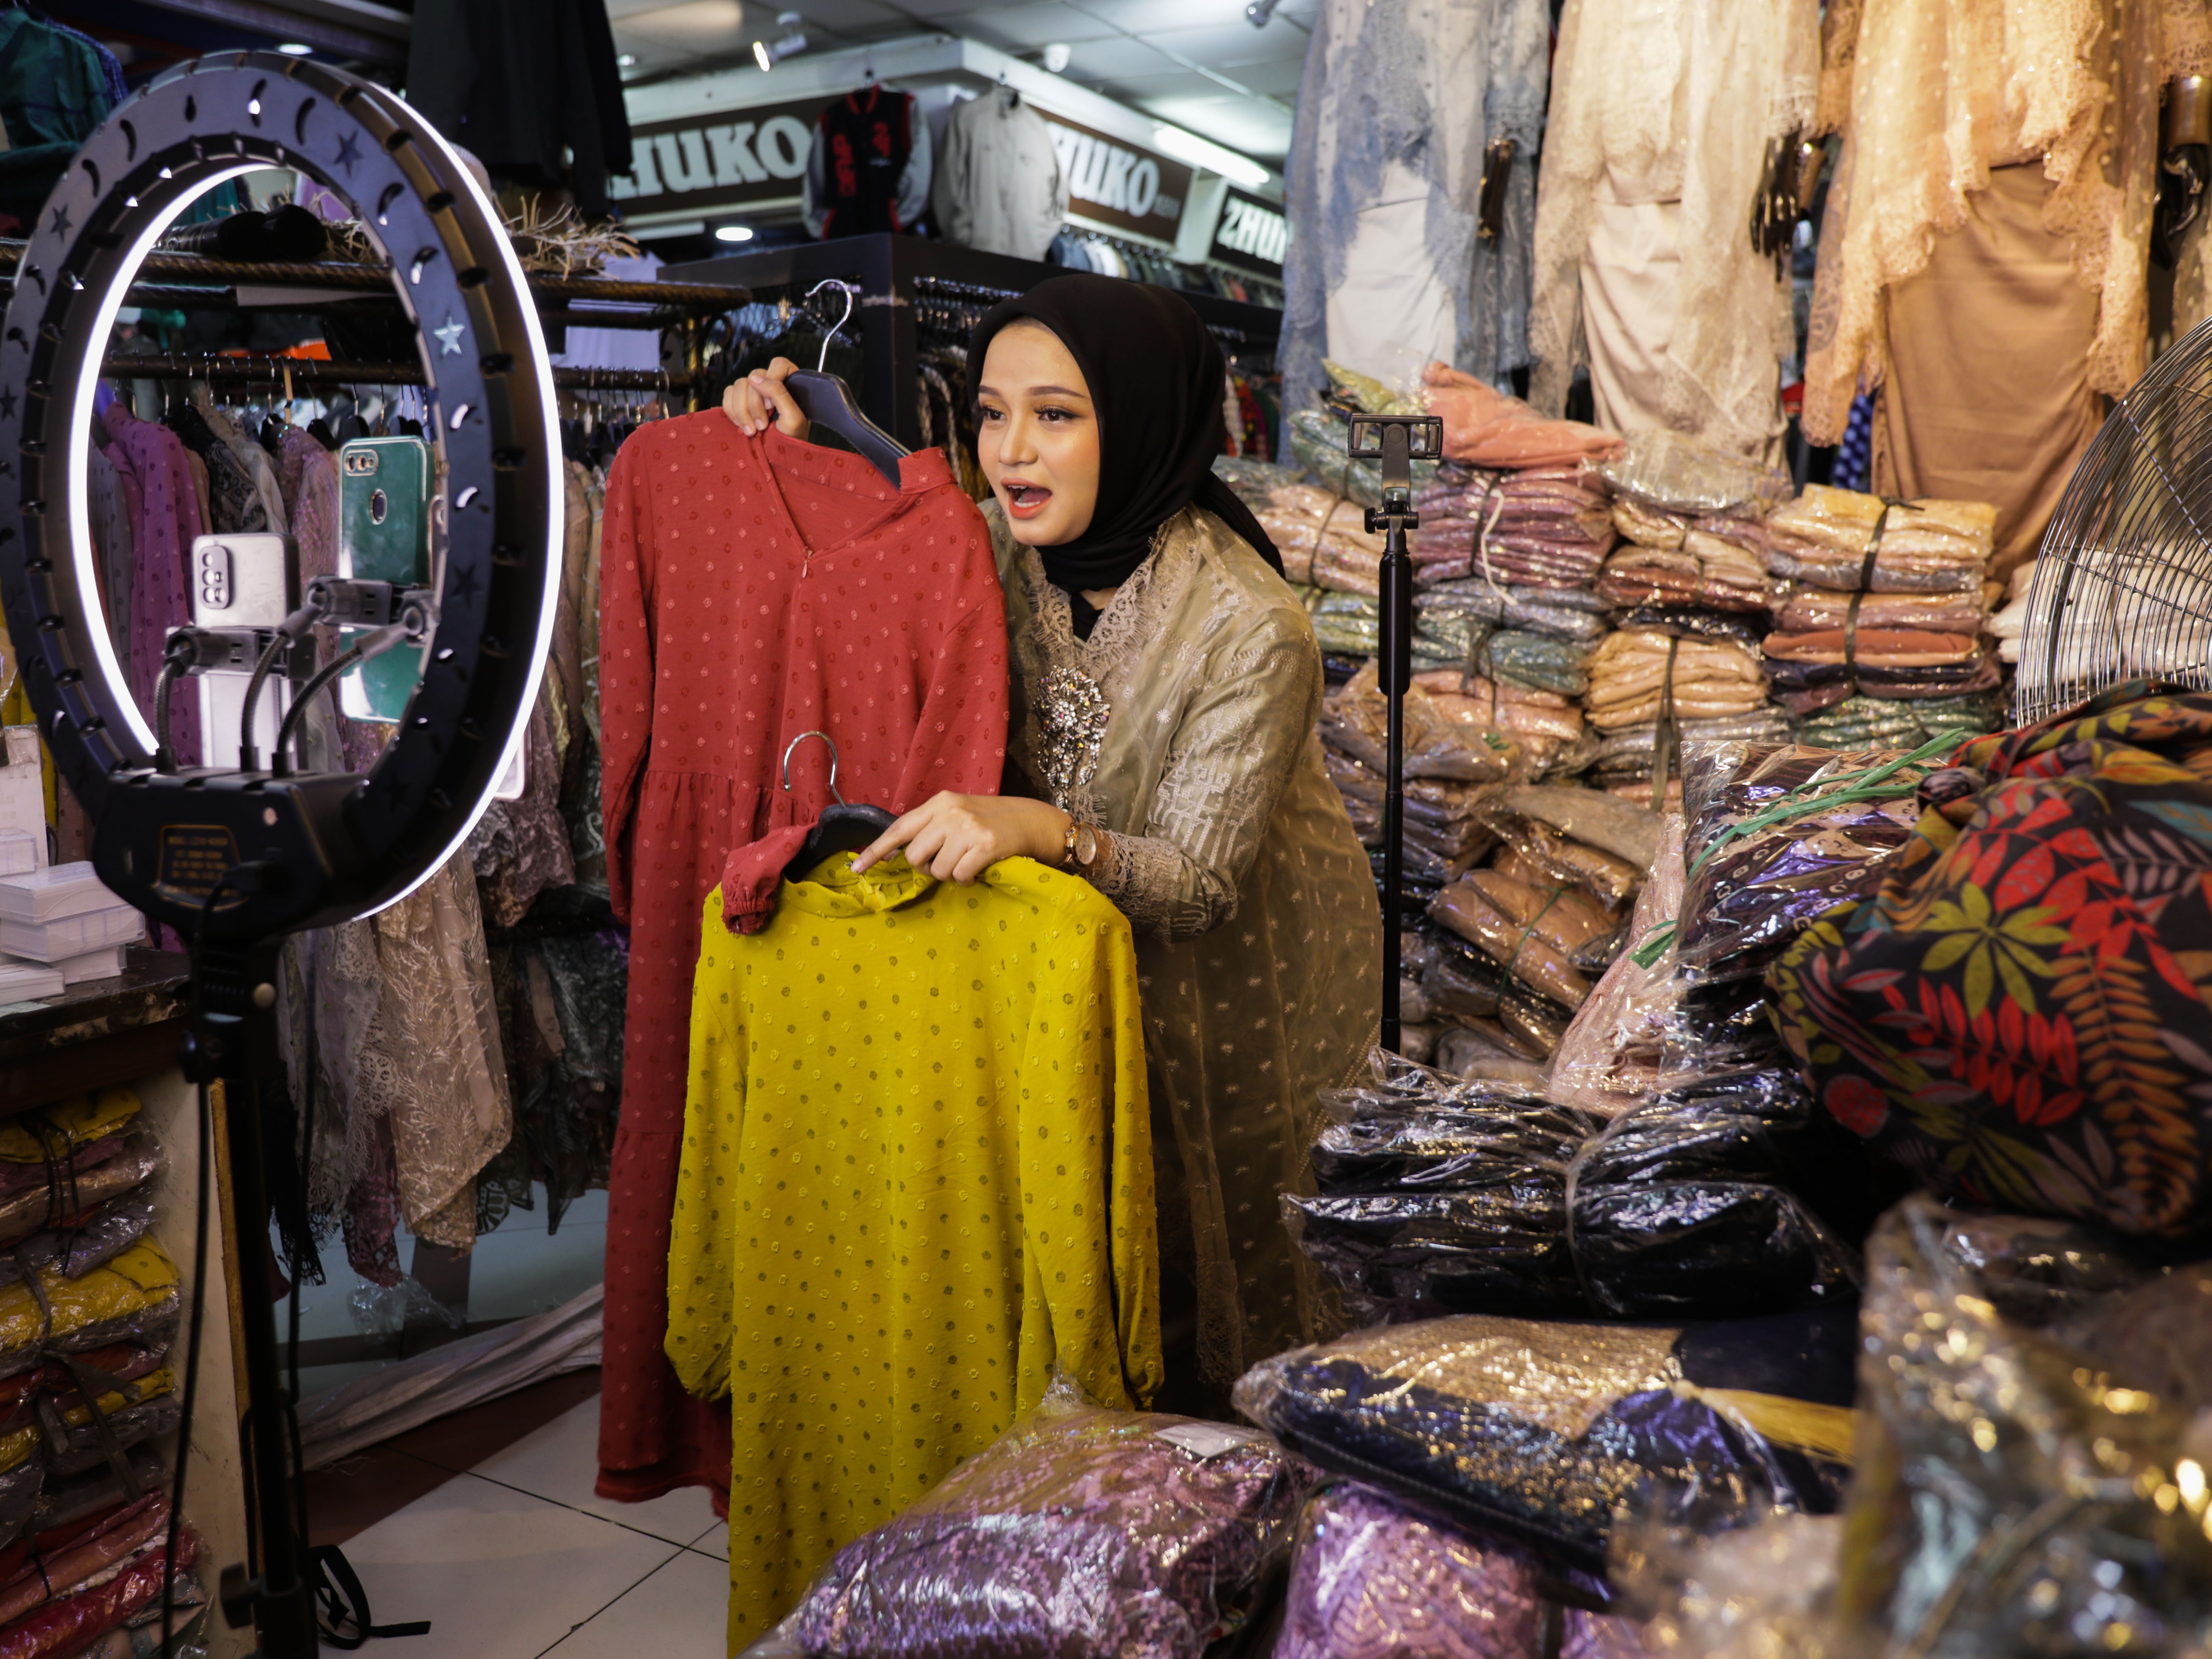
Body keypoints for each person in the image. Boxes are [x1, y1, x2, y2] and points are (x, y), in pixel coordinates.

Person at [726, 274, 1382, 1403]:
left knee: (1212, 1257)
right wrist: (801, 439)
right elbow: (876, 538)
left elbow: (1202, 885)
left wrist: (1045, 830)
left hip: (1238, 982)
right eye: (989, 412)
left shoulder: (1250, 625)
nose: (1010, 452)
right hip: (1059, 983)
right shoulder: (982, 548)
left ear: (1138, 421)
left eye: (1056, 415)